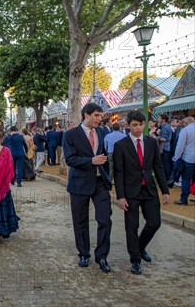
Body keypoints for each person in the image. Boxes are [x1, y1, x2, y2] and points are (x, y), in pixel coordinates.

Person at [113, 110, 170, 275]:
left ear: (145, 124)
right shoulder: (121, 145)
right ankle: (135, 260)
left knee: (154, 222)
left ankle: (139, 247)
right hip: (130, 192)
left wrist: (165, 190)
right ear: (128, 126)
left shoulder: (151, 143)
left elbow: (158, 167)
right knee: (132, 226)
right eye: (134, 125)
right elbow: (119, 172)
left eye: (140, 125)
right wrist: (121, 196)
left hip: (149, 190)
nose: (137, 128)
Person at [62, 103, 112, 273]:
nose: (100, 119)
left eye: (101, 115)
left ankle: (102, 256)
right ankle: (84, 253)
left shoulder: (102, 131)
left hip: (100, 183)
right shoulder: (70, 134)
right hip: (79, 183)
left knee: (105, 219)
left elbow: (104, 156)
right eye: (97, 115)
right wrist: (90, 161)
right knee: (80, 221)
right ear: (86, 115)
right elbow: (70, 159)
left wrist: (108, 176)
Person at [173, 117, 195, 205]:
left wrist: (176, 157)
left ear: (186, 123)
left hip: (189, 157)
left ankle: (183, 199)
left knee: (186, 178)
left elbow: (180, 145)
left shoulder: (185, 130)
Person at [158, 114, 173, 182]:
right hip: (166, 147)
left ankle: (168, 179)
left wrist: (156, 138)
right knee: (166, 163)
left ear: (163, 119)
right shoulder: (166, 126)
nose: (158, 119)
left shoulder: (164, 127)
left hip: (164, 147)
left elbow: (164, 139)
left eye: (159, 118)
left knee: (165, 164)